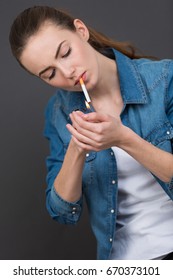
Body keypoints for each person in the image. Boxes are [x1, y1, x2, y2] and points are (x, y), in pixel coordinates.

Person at [9, 5, 173, 260]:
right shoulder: (58, 113)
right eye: (50, 74)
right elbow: (62, 211)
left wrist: (124, 139)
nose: (68, 73)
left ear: (81, 31)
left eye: (65, 53)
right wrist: (76, 149)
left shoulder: (164, 80)